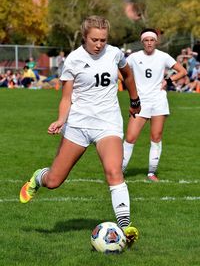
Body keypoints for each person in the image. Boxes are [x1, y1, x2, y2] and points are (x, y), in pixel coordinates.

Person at [19, 15, 141, 247]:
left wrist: (134, 99)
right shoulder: (74, 60)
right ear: (84, 37)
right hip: (78, 124)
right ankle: (38, 177)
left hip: (108, 123)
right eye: (94, 39)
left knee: (114, 171)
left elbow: (127, 74)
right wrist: (61, 120)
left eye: (103, 40)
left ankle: (125, 228)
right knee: (54, 181)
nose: (99, 44)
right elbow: (66, 98)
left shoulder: (115, 53)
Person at [122, 28, 187, 181]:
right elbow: (121, 71)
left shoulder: (163, 56)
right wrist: (129, 84)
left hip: (158, 101)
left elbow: (182, 71)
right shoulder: (133, 57)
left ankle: (151, 172)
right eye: (146, 40)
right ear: (142, 42)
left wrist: (168, 80)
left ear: (156, 41)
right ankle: (119, 170)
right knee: (130, 137)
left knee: (156, 137)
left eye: (152, 40)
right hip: (140, 102)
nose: (149, 43)